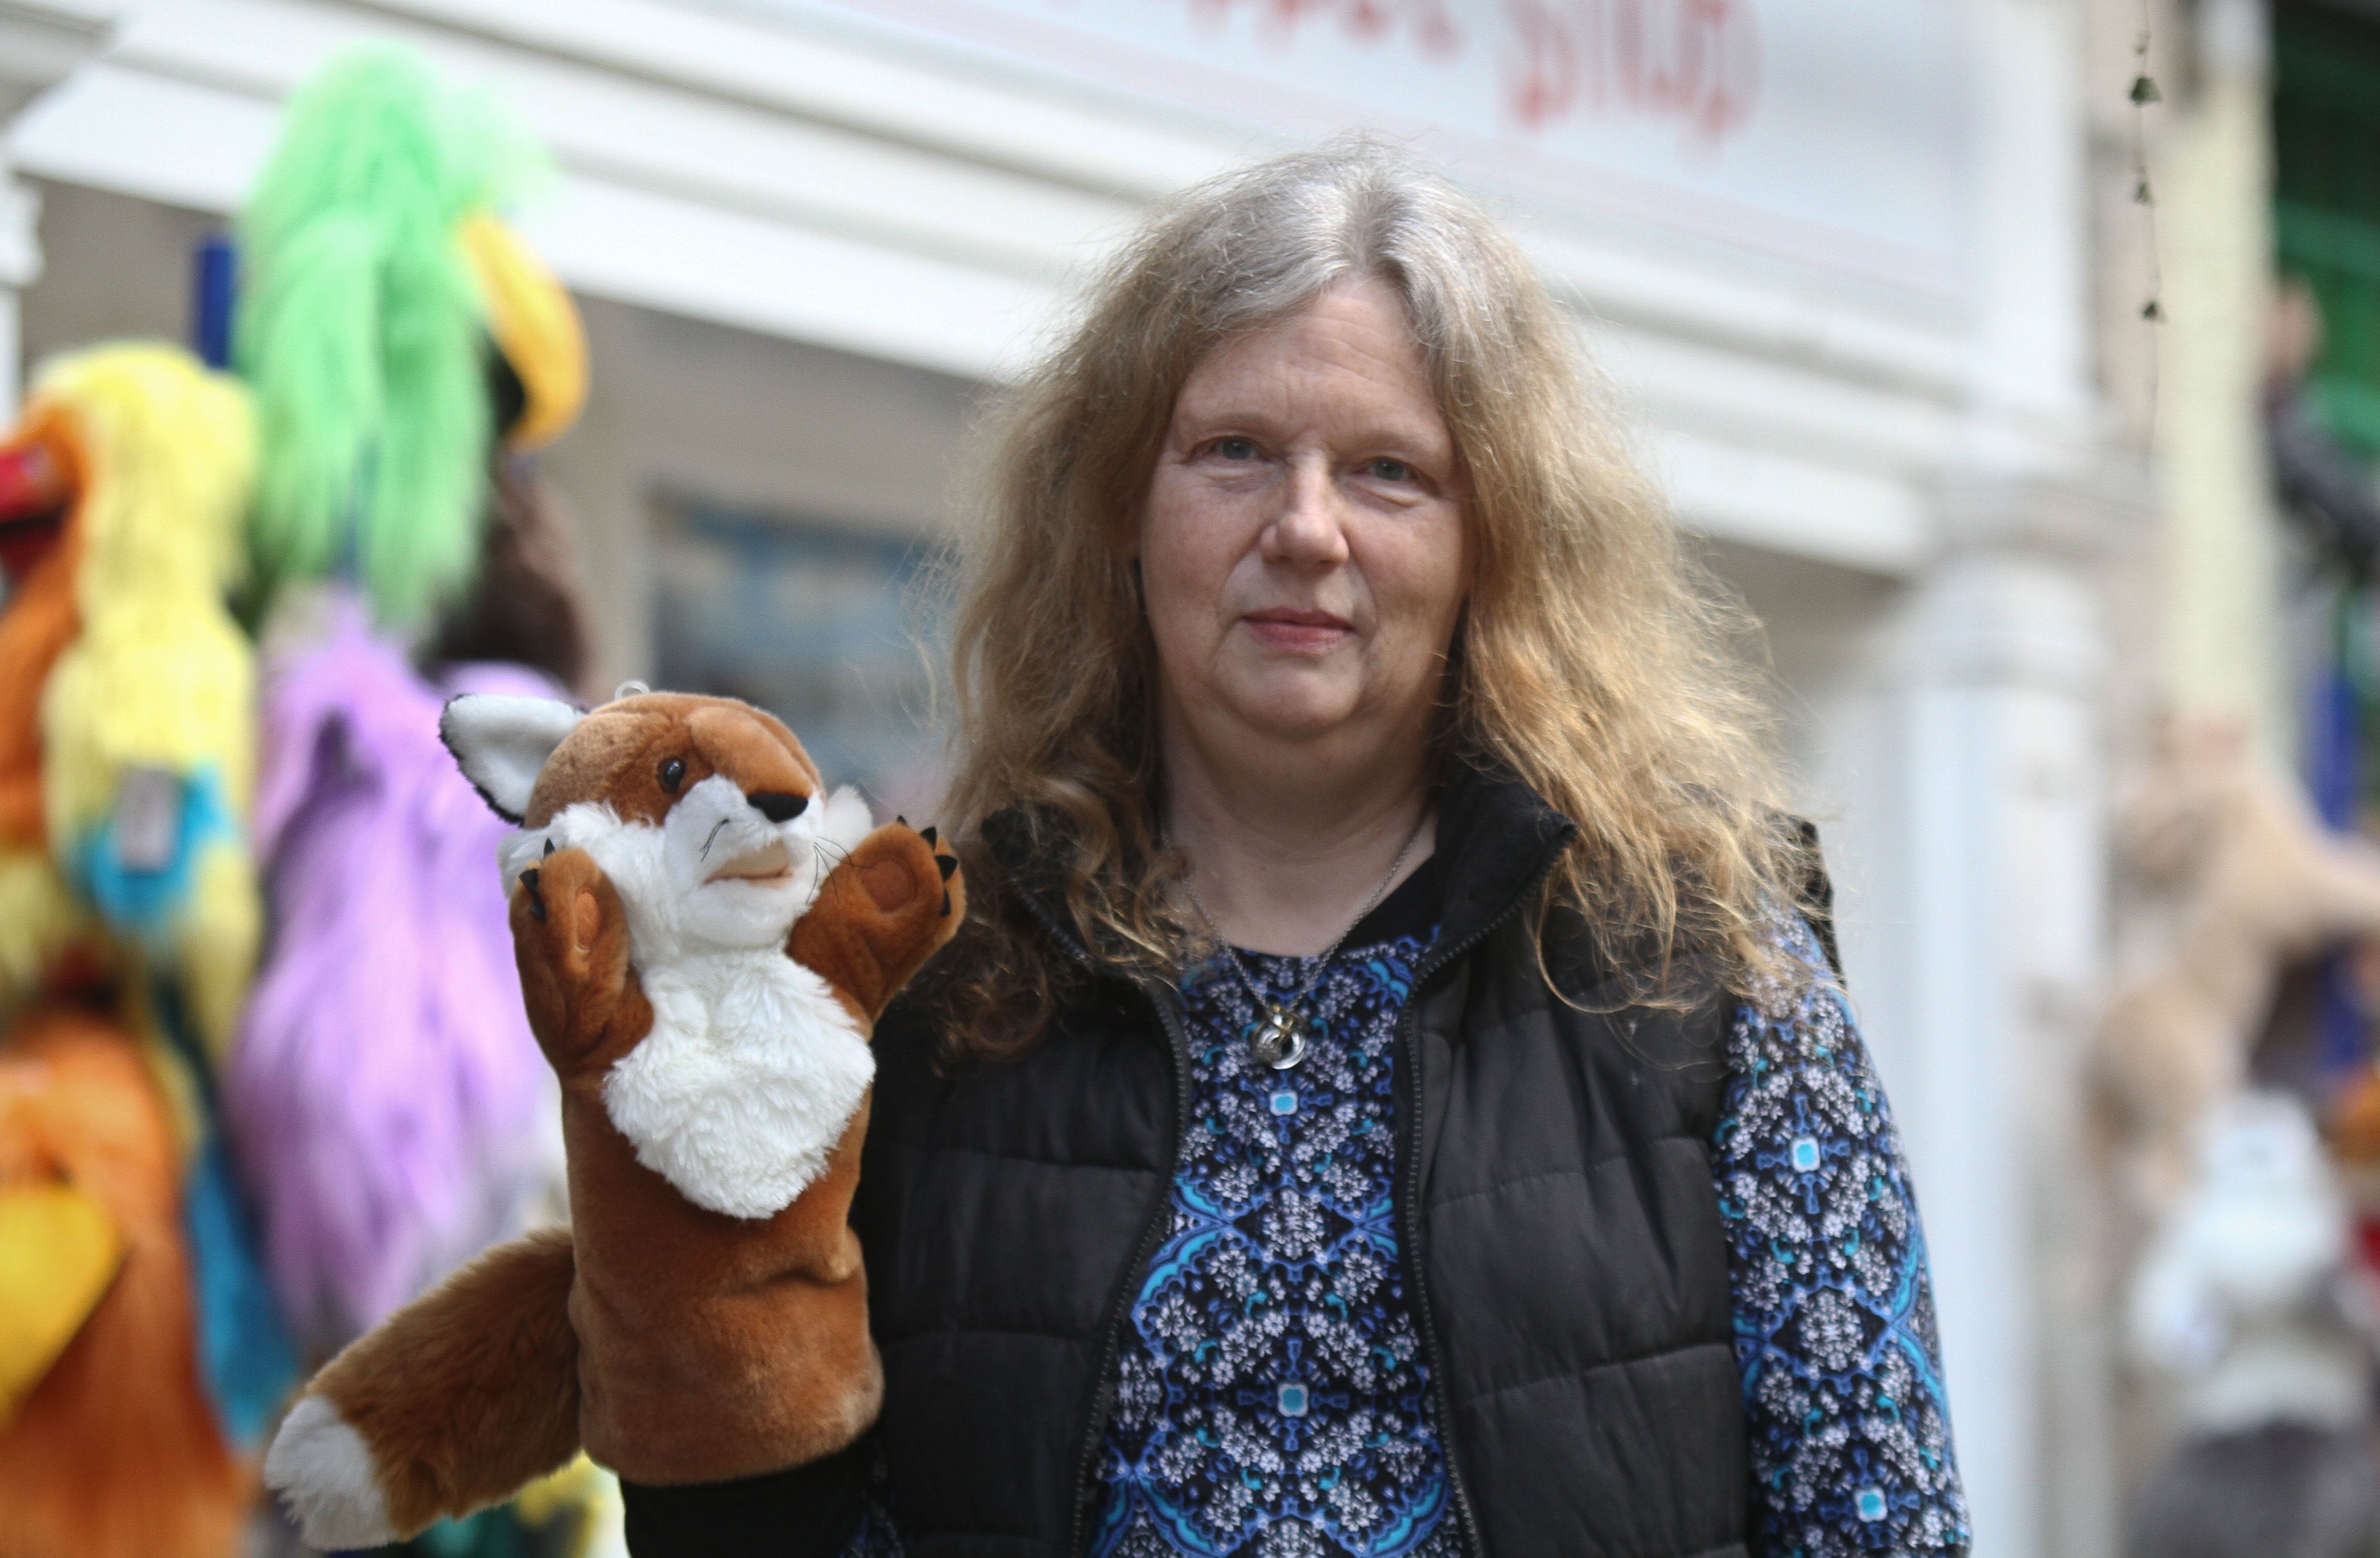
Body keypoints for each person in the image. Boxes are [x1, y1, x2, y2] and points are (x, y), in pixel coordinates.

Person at [624, 144, 1970, 1556]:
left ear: (1489, 544)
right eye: (1233, 453)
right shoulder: (934, 986)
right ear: (1119, 517)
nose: (1304, 528)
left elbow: (1875, 1515)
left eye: (1388, 471)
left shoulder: (1702, 970)